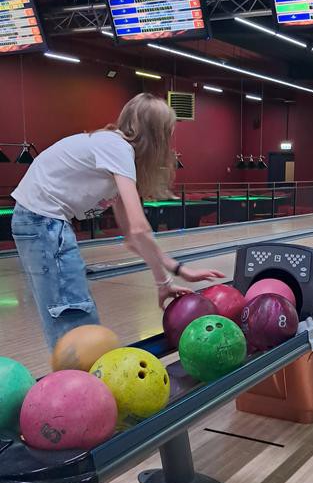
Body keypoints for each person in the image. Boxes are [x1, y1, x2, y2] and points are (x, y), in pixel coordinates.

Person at [11, 93, 224, 349]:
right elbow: (139, 228)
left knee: (70, 315)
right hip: (42, 221)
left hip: (39, 221)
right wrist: (167, 278)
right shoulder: (118, 148)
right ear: (157, 135)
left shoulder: (114, 149)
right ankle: (81, 374)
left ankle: (78, 372)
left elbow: (133, 237)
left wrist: (174, 273)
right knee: (74, 319)